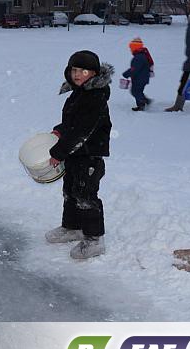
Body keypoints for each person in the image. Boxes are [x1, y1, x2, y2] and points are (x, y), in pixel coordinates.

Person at [44, 50, 113, 259]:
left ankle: (94, 239)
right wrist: (60, 130)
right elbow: (71, 124)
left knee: (85, 196)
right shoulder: (79, 93)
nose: (77, 74)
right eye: (74, 70)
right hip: (75, 154)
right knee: (70, 191)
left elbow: (82, 131)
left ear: (93, 73)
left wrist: (59, 152)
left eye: (83, 71)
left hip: (89, 155)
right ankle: (72, 227)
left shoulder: (95, 97)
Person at [122, 37, 153, 111]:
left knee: (135, 92)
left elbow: (134, 69)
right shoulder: (141, 55)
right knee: (138, 91)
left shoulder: (139, 57)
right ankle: (142, 103)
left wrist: (126, 74)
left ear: (135, 47)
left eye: (131, 48)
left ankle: (144, 102)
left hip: (140, 79)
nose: (130, 49)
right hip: (142, 78)